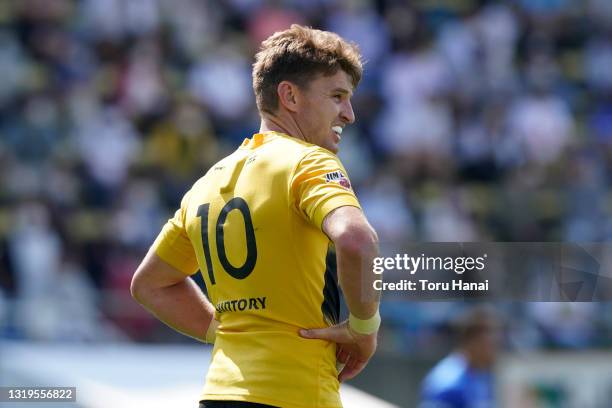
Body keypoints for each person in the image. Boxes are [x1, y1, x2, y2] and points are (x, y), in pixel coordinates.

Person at [131, 24, 381, 408]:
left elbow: (149, 285)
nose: (348, 114)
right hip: (295, 394)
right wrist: (364, 328)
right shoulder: (308, 161)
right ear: (290, 96)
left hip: (219, 393)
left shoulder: (207, 182)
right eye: (337, 96)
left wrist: (227, 332)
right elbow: (356, 239)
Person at [418, 306, 501, 408]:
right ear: (473, 342)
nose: (495, 351)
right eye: (490, 345)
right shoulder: (447, 381)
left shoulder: (482, 374)